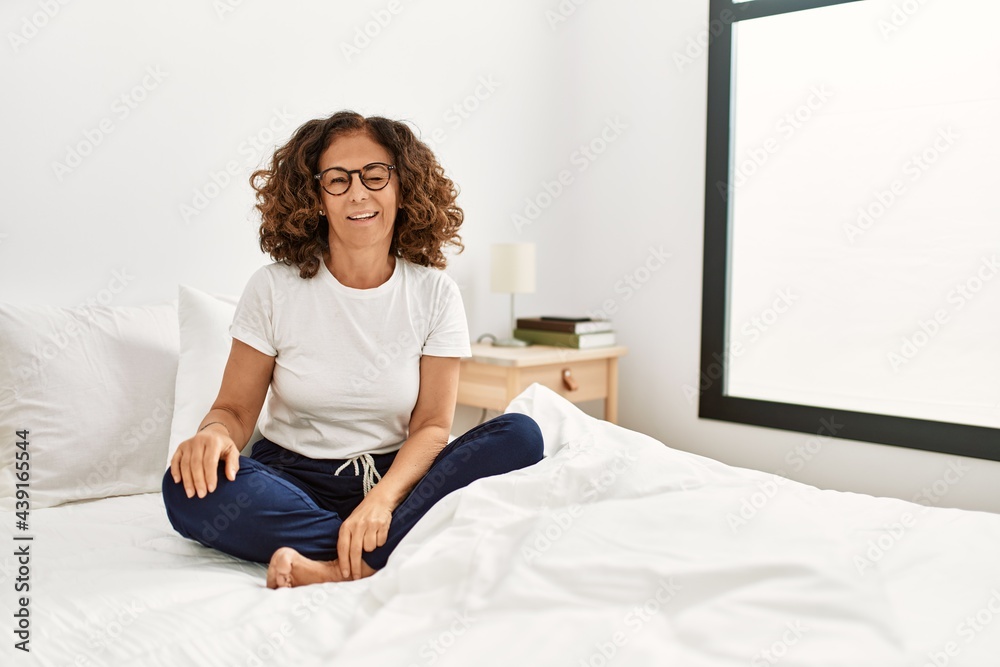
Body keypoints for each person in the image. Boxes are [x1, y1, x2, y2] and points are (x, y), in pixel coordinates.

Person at [161, 110, 544, 588]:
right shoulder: (273, 288)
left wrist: (381, 502)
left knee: (521, 435)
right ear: (316, 197)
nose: (358, 193)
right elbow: (234, 411)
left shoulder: (435, 293)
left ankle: (346, 562)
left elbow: (430, 428)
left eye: (375, 175)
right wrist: (214, 436)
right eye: (337, 180)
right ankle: (382, 552)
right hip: (291, 480)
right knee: (186, 488)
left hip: (398, 480)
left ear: (402, 187)